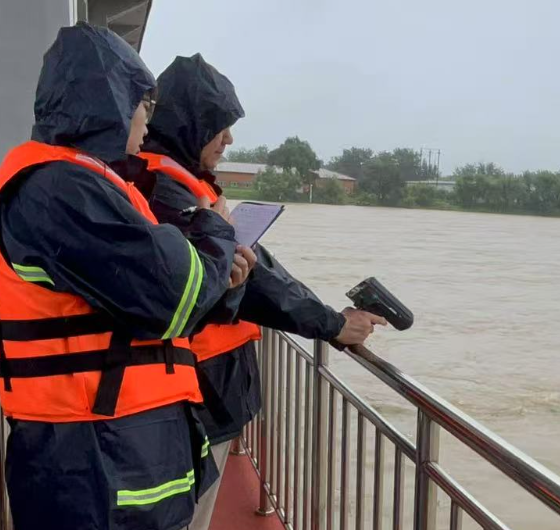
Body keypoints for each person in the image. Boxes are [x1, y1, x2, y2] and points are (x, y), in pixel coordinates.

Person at [0, 24, 255, 530]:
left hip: (117, 455)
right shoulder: (60, 189)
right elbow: (173, 295)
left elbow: (165, 289)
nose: (148, 124)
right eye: (144, 105)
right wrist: (215, 226)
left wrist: (216, 270)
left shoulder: (84, 183)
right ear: (108, 100)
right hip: (96, 465)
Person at [136, 54, 386, 528]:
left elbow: (255, 266)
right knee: (186, 515)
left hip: (204, 387)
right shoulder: (166, 192)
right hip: (194, 391)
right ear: (192, 123)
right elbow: (249, 283)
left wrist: (330, 319)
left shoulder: (182, 185)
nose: (229, 139)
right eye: (220, 125)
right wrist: (333, 324)